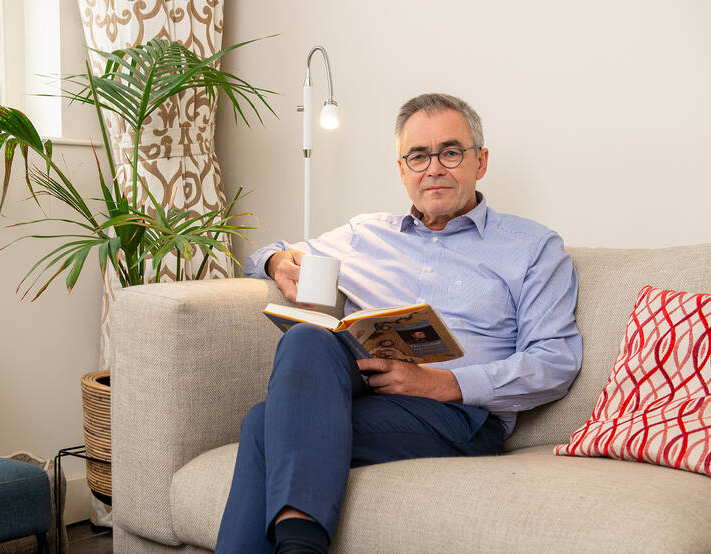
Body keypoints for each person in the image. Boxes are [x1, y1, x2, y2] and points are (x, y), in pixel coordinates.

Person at [215, 93, 582, 553]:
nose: (434, 168)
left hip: (460, 417)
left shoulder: (532, 247)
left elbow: (556, 361)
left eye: (450, 152)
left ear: (480, 161)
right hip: (366, 392)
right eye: (418, 156)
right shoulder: (364, 234)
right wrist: (274, 262)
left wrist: (441, 383)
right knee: (308, 338)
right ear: (402, 168)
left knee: (264, 424)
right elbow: (263, 253)